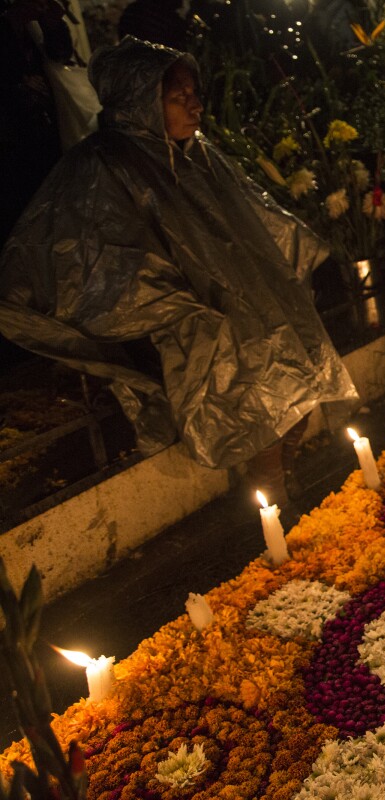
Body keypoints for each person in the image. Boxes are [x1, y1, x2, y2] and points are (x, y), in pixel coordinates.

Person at [0, 37, 358, 499]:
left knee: (303, 366)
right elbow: (93, 259)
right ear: (141, 101)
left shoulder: (197, 150)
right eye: (178, 97)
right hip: (175, 315)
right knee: (258, 385)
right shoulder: (104, 163)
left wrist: (289, 270)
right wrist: (182, 305)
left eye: (194, 94)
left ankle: (283, 479)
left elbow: (255, 219)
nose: (196, 106)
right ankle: (270, 494)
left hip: (243, 297)